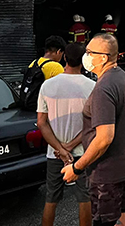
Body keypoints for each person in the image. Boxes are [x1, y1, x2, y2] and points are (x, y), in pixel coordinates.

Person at [62, 34, 125, 226]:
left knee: (103, 221)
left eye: (90, 52)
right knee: (124, 212)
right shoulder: (122, 78)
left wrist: (77, 167)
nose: (85, 56)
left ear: (103, 57)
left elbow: (104, 138)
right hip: (124, 165)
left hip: (107, 173)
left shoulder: (103, 88)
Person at [37, 43, 96, 226]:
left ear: (64, 58)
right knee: (84, 198)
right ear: (84, 62)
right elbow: (93, 124)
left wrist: (61, 149)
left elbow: (41, 122)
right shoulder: (92, 87)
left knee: (51, 199)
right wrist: (70, 146)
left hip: (54, 153)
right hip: (83, 153)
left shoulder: (47, 86)